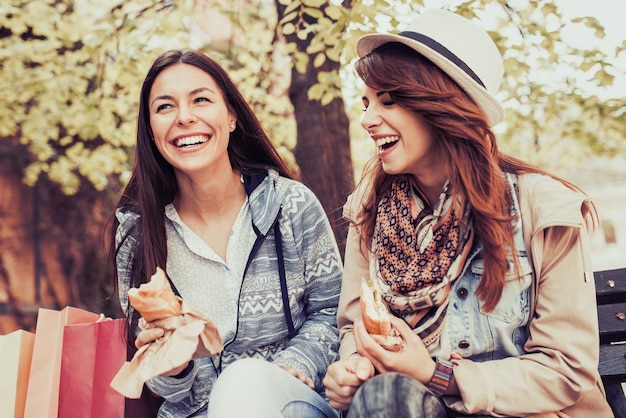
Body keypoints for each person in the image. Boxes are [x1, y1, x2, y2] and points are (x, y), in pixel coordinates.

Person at [323, 8, 614, 418]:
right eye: (366, 102)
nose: (367, 120)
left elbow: (566, 371)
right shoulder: (369, 211)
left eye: (388, 101)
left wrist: (436, 375)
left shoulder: (544, 209)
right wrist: (351, 366)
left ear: (442, 106)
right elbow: (356, 328)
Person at [108, 48, 342, 418]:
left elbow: (332, 312)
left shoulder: (291, 205)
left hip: (291, 402)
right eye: (165, 107)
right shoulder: (137, 236)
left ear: (231, 115)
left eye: (201, 100)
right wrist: (171, 366)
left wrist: (293, 363)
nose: (185, 118)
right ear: (151, 131)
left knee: (245, 382)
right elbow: (159, 379)